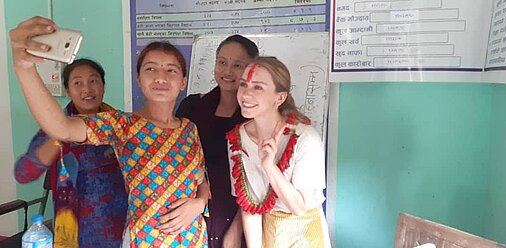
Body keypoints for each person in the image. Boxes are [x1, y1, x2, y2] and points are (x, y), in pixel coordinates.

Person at [10, 16, 209, 247]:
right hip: (144, 239)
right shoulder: (122, 125)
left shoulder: (189, 129)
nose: (160, 77)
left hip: (193, 238)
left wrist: (200, 203)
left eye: (171, 70)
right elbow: (61, 127)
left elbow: (201, 179)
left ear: (183, 81)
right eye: (150, 68)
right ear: (139, 79)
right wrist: (24, 67)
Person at [14, 58, 128, 248]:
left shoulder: (122, 125)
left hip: (121, 224)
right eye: (77, 83)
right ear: (68, 90)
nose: (87, 89)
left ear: (103, 85)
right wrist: (61, 134)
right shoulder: (53, 129)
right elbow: (23, 173)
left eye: (93, 81)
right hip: (77, 231)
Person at [226, 56, 331, 247]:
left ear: (280, 98)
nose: (246, 94)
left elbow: (299, 208)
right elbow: (249, 206)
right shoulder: (237, 138)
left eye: (258, 87)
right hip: (269, 230)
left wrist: (269, 166)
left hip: (304, 233)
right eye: (243, 84)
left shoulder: (304, 137)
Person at [176, 34, 258, 248]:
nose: (227, 71)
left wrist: (238, 227)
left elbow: (258, 182)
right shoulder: (192, 107)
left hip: (240, 215)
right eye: (222, 62)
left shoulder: (255, 117)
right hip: (193, 211)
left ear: (252, 69)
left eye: (237, 65)